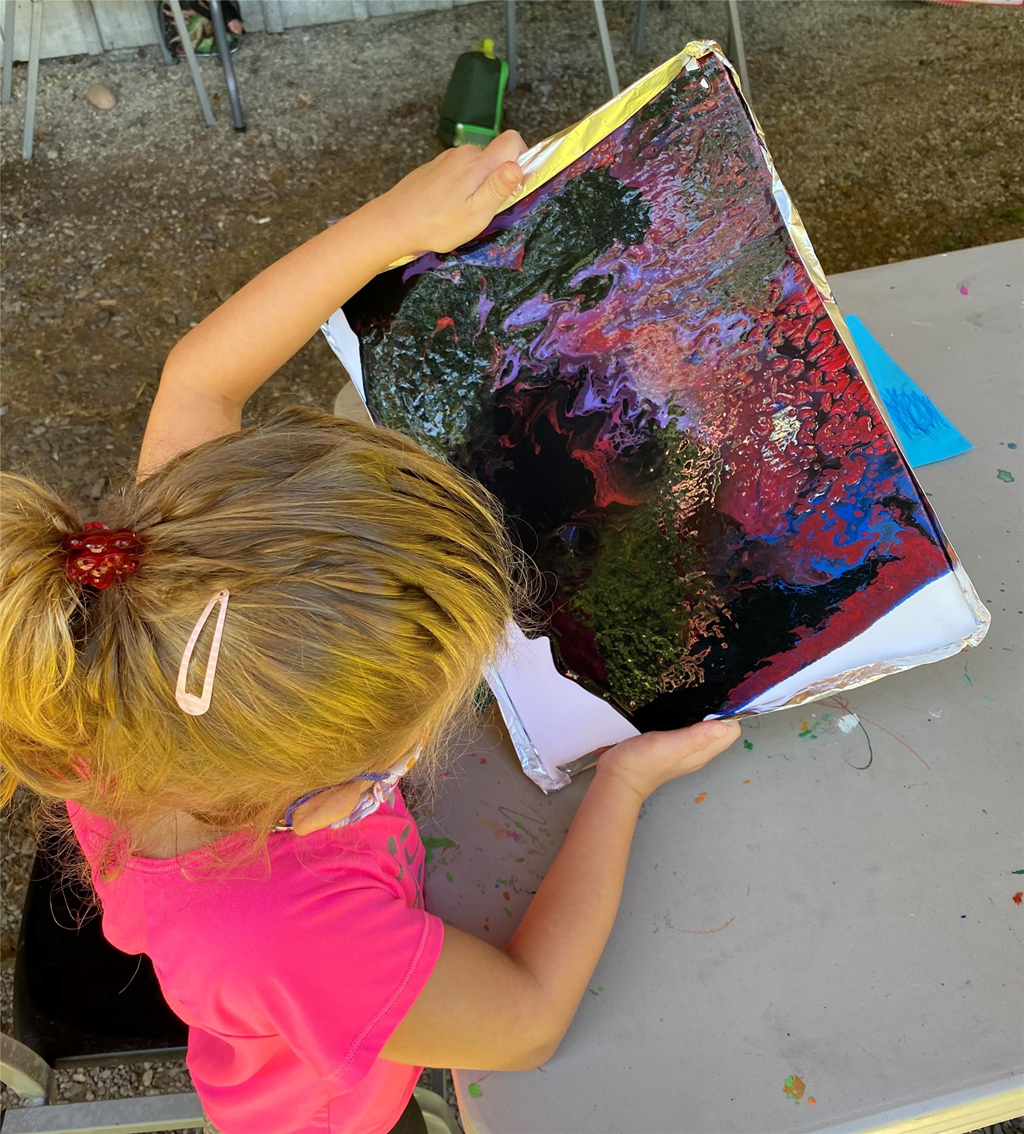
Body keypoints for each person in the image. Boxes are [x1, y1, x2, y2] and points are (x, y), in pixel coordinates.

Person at [0, 132, 741, 1134]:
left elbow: (200, 381)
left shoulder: (145, 597)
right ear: (354, 777)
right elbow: (524, 1023)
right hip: (331, 1109)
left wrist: (398, 223)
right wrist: (622, 785)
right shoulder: (285, 936)